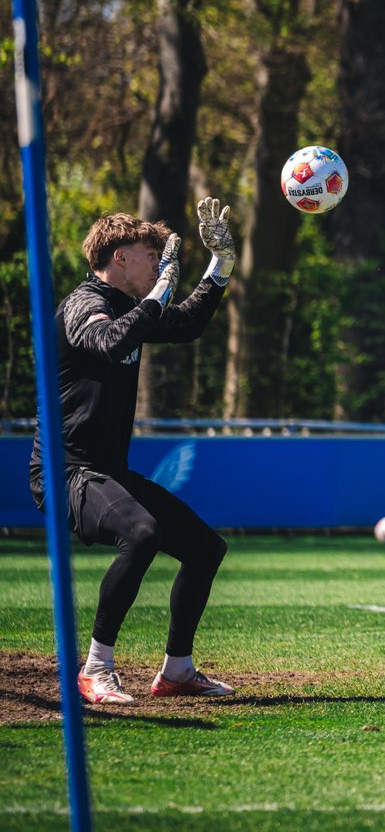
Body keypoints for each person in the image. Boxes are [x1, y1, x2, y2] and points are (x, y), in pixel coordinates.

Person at [29, 199, 238, 704]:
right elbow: (107, 341)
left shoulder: (131, 306)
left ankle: (177, 671)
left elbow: (186, 325)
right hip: (67, 473)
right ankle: (95, 669)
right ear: (120, 256)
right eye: (153, 256)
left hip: (107, 471)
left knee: (205, 549)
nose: (161, 265)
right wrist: (162, 290)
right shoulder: (83, 302)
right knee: (142, 534)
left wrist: (221, 265)